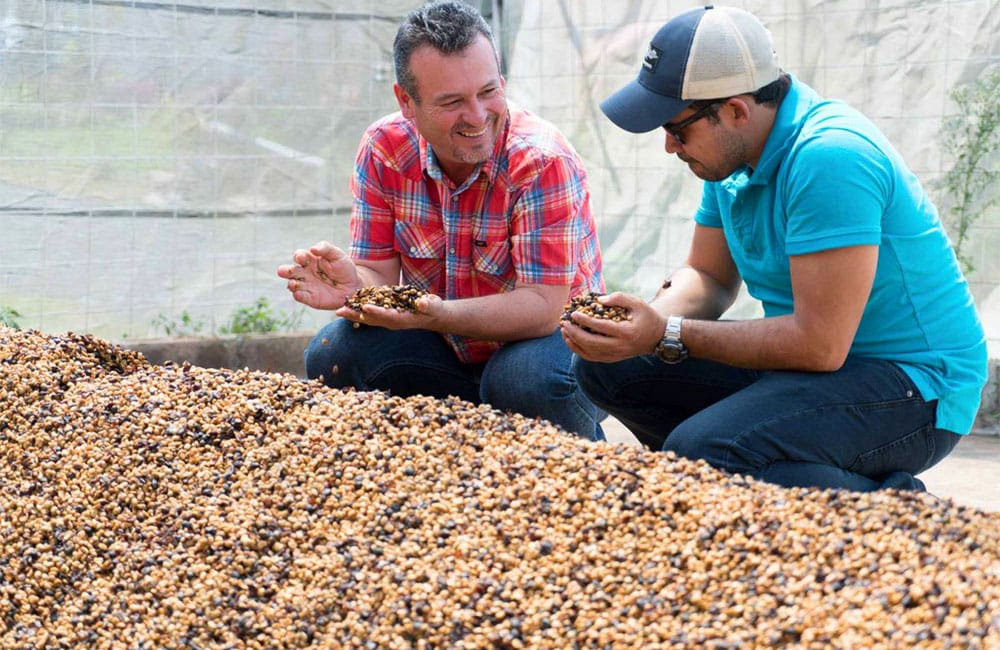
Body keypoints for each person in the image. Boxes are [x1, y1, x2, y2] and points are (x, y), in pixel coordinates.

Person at [562, 5, 988, 491]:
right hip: (817, 367)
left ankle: (893, 511)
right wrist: (641, 323)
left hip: (916, 386)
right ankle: (741, 486)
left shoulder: (830, 157)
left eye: (678, 130)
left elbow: (820, 344)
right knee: (612, 370)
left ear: (736, 111)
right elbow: (710, 277)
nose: (669, 146)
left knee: (709, 452)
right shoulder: (731, 157)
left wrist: (667, 332)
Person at [277, 1, 606, 440]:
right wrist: (355, 283)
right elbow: (378, 273)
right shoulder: (385, 148)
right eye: (452, 102)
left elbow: (544, 308)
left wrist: (435, 315)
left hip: (555, 351)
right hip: (449, 349)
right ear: (406, 102)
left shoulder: (541, 161)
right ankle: (435, 476)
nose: (477, 116)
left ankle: (588, 480)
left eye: (488, 92)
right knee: (334, 350)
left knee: (520, 378)